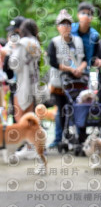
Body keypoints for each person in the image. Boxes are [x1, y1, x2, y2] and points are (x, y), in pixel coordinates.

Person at [47, 9, 87, 145]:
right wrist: (69, 69)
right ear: (58, 27)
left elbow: (85, 59)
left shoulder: (78, 41)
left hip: (78, 81)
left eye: (68, 24)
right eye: (62, 24)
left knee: (79, 109)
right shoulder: (54, 42)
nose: (66, 27)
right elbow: (52, 61)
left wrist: (79, 69)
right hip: (60, 82)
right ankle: (59, 138)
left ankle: (81, 138)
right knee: (61, 111)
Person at [8, 19, 41, 159]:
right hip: (32, 82)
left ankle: (28, 147)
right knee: (30, 116)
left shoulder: (22, 43)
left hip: (22, 83)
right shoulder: (35, 42)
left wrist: (9, 54)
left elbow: (15, 64)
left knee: (20, 117)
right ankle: (31, 147)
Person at [71, 2, 99, 69]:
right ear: (78, 15)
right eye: (83, 13)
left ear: (92, 17)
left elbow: (94, 55)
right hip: (68, 69)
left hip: (85, 71)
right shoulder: (70, 30)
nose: (86, 16)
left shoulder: (94, 35)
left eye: (89, 14)